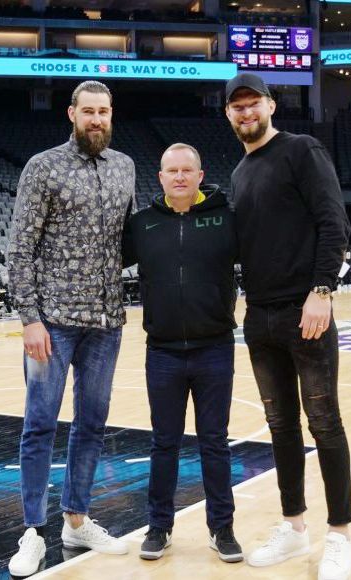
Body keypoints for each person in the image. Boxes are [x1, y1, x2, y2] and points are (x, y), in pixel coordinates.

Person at [225, 72, 351, 580]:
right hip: (259, 317)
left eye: (253, 103)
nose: (246, 112)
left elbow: (333, 221)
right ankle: (294, 526)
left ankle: (340, 535)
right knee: (280, 426)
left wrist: (322, 290)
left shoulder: (302, 150)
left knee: (324, 422)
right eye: (237, 106)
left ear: (270, 106)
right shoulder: (240, 173)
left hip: (306, 311)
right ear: (228, 115)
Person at [6, 80, 136, 577]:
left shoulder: (124, 167)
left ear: (111, 115)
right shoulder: (43, 167)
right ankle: (32, 532)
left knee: (92, 423)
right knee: (40, 423)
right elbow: (20, 248)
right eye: (88, 111)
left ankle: (76, 520)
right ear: (71, 114)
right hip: (53, 323)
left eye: (104, 111)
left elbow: (128, 241)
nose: (97, 119)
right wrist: (29, 319)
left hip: (106, 321)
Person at [123, 143, 242, 563]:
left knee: (215, 442)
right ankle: (159, 526)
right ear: (160, 177)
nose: (179, 177)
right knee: (164, 443)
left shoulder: (226, 219)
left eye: (186, 170)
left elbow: (265, 257)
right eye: (171, 171)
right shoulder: (142, 225)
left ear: (199, 175)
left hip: (215, 348)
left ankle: (222, 528)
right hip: (163, 351)